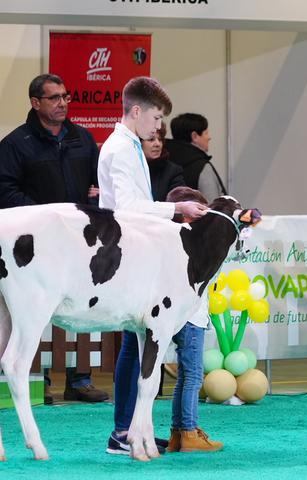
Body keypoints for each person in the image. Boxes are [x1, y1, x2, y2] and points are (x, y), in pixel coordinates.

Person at [98, 76, 209, 455]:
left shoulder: (128, 145)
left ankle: (126, 430)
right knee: (135, 342)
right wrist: (177, 208)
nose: (159, 126)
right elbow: (126, 208)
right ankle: (122, 431)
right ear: (137, 111)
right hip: (128, 253)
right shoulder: (122, 148)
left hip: (134, 251)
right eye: (157, 117)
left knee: (135, 341)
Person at [0, 73, 107, 404]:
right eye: (54, 97)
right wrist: (42, 214)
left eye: (66, 96)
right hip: (35, 243)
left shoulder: (83, 139)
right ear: (35, 102)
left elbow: (99, 184)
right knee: (36, 307)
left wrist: (94, 200)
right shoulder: (16, 143)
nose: (62, 103)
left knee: (83, 304)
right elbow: (1, 190)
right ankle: (39, 377)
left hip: (80, 238)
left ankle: (79, 377)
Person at [164, 186, 223, 453]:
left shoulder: (172, 239)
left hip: (179, 314)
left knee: (185, 376)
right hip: (192, 315)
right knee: (193, 376)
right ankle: (188, 431)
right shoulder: (194, 242)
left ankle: (179, 432)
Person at [164, 112, 227, 202]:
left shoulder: (162, 162)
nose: (209, 137)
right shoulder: (202, 166)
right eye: (206, 133)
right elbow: (213, 208)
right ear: (194, 136)